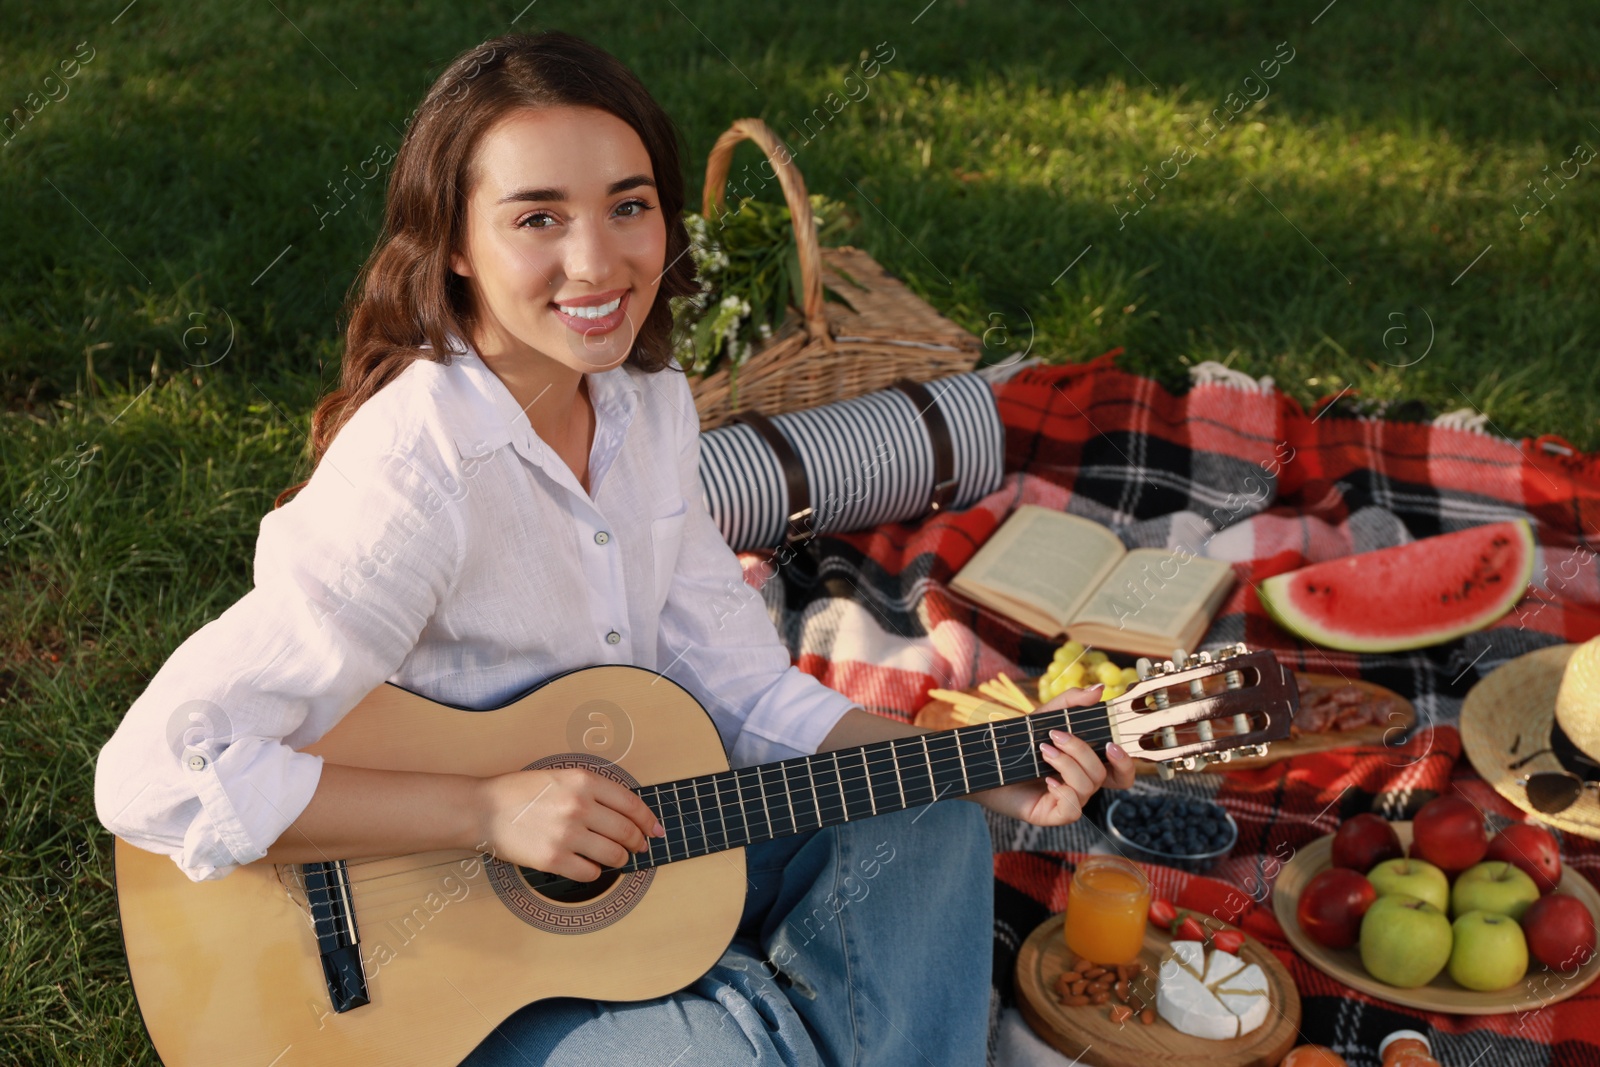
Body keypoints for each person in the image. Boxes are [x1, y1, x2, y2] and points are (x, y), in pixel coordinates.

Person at [92, 30, 1134, 1065]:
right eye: (537, 216)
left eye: (628, 206)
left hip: (635, 833)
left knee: (933, 818)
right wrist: (485, 809)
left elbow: (741, 687)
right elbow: (154, 774)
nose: (598, 261)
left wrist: (979, 763)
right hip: (426, 952)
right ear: (452, 242)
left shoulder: (646, 408)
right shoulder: (413, 475)